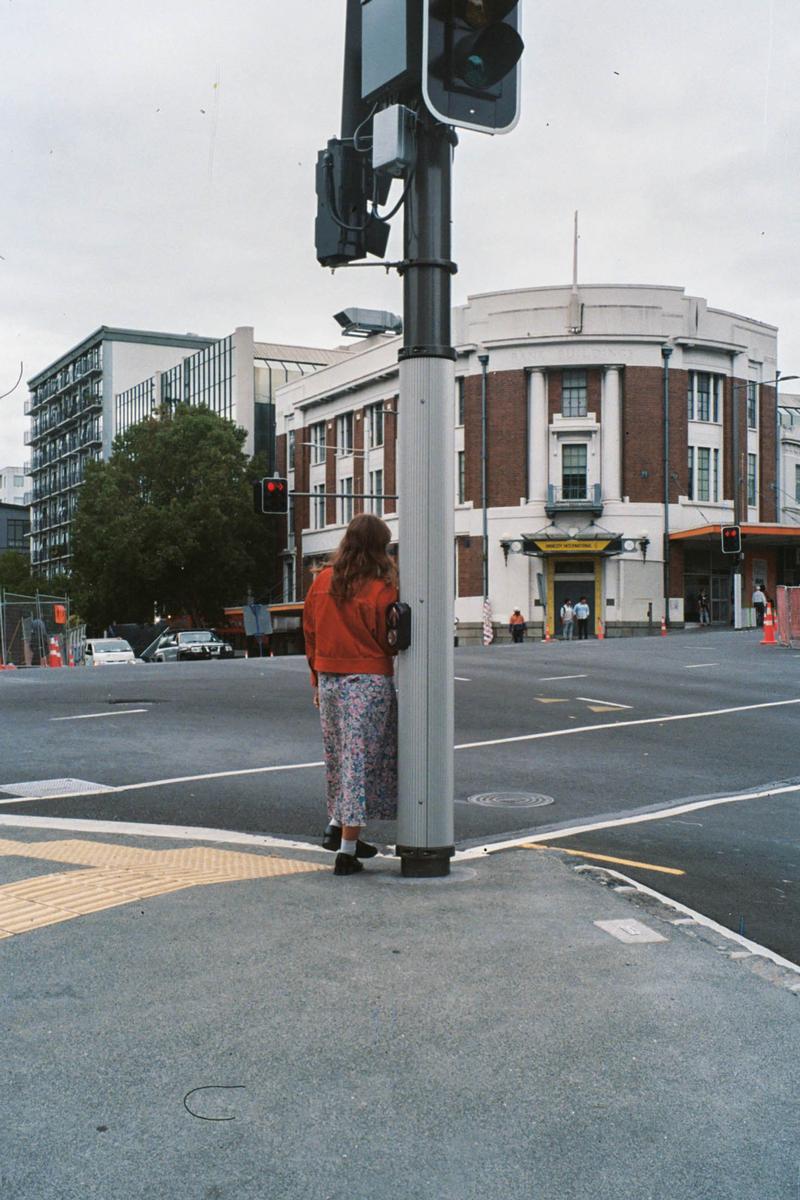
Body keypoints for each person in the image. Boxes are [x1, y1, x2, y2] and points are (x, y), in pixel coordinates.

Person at [303, 513, 399, 876]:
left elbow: (310, 632)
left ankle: (336, 825)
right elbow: (387, 638)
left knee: (340, 758)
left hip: (329, 678)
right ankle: (346, 849)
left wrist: (316, 677)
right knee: (361, 762)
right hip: (368, 679)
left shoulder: (323, 581)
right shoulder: (382, 586)